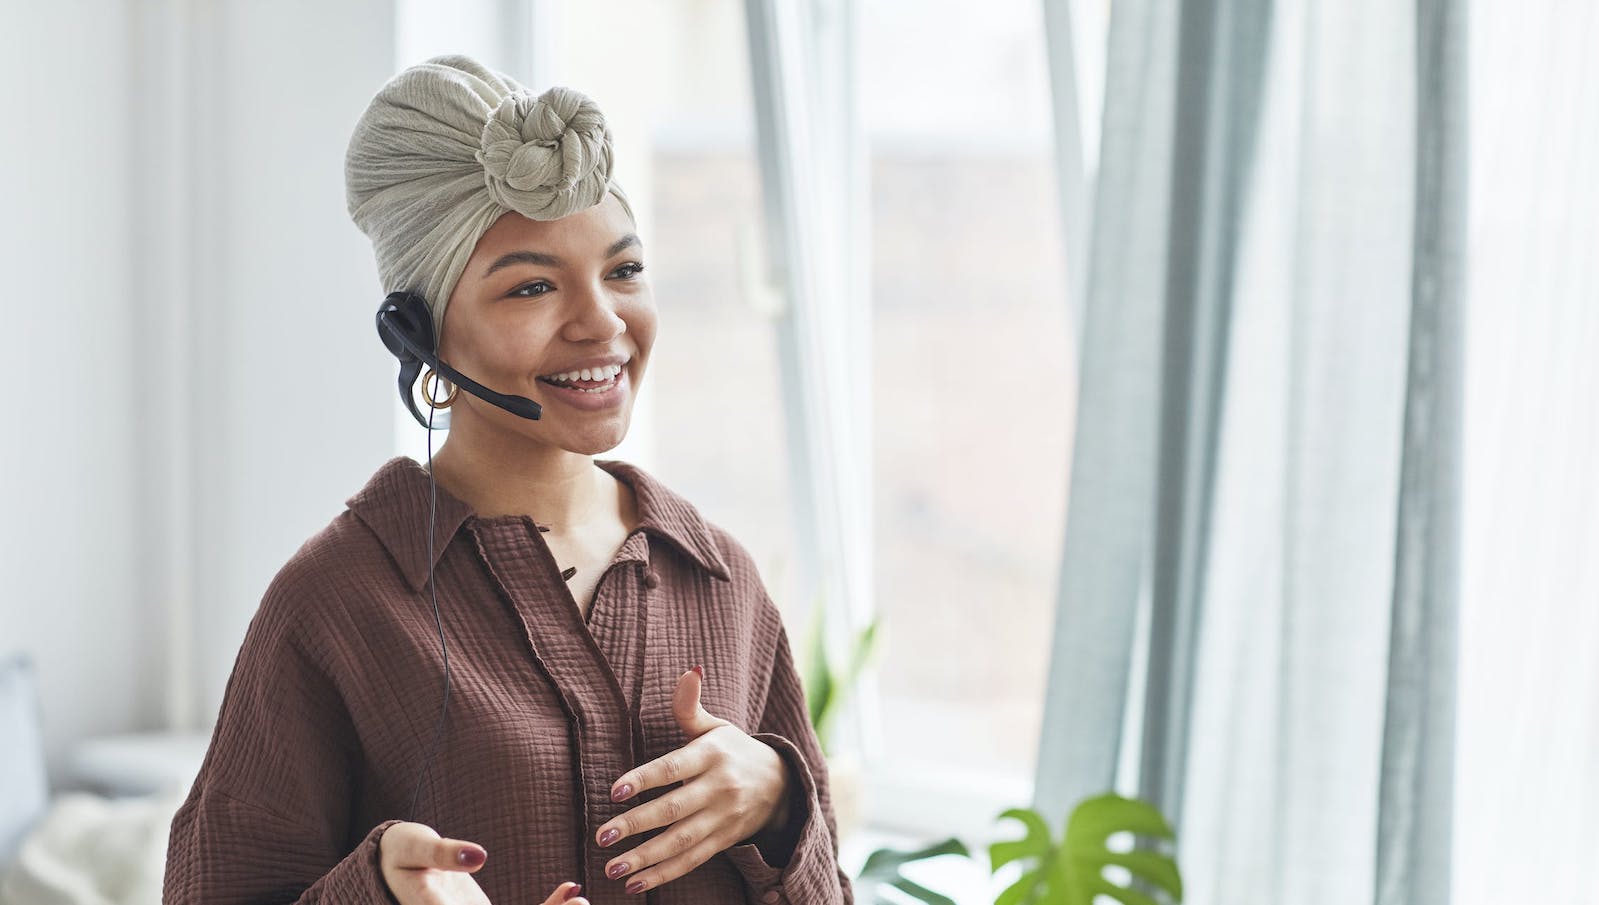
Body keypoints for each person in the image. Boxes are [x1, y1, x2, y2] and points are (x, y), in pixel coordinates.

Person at [162, 54, 853, 905]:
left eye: (624, 271)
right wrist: (376, 890)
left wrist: (781, 806)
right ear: (418, 334)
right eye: (531, 286)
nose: (601, 322)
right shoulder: (334, 605)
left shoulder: (723, 586)